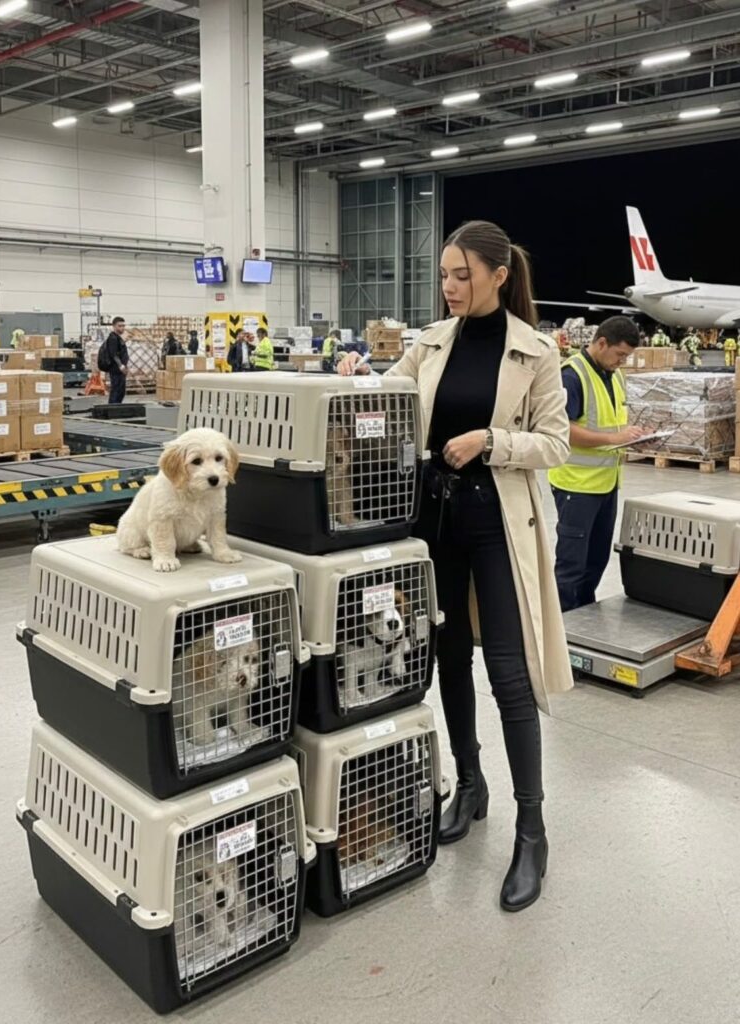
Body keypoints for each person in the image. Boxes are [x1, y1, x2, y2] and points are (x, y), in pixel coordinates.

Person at [338, 220, 573, 912]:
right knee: (446, 657)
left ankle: (531, 831)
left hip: (495, 524)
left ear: (499, 275)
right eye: (443, 275)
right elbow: (382, 402)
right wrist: (350, 382)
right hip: (432, 524)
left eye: (461, 275)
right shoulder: (428, 343)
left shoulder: (535, 352)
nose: (448, 288)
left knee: (507, 672)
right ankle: (470, 786)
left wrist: (489, 440)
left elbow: (554, 444)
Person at [548, 317, 647, 613]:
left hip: (606, 483)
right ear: (601, 343)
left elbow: (611, 423)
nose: (622, 362)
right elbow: (562, 429)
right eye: (620, 355)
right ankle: (564, 625)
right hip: (576, 486)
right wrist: (615, 436)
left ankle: (584, 615)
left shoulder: (615, 376)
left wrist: (633, 438)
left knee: (596, 560)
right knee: (571, 565)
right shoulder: (572, 376)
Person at [104, 316, 129, 404]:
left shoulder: (118, 338)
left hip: (120, 369)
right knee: (116, 390)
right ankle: (112, 409)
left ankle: (116, 408)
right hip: (116, 369)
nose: (122, 328)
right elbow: (113, 354)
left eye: (123, 326)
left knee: (120, 391)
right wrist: (121, 365)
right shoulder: (113, 338)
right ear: (114, 326)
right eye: (119, 326)